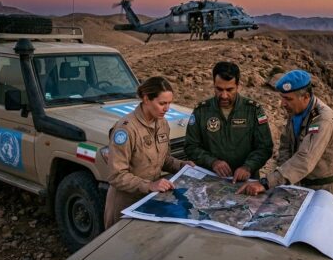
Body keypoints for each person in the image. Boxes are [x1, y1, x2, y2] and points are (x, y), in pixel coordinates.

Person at [237, 70, 333, 209]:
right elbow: (286, 144)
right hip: (301, 186)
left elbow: (304, 160)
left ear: (306, 97)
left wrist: (266, 182)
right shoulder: (297, 110)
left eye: (288, 99)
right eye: (282, 98)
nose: (283, 104)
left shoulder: (322, 120)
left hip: (325, 192)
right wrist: (283, 179)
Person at [104, 76, 194, 228]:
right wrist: (150, 185)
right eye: (162, 103)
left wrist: (182, 165)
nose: (167, 109)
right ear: (146, 99)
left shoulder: (162, 123)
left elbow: (163, 159)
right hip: (125, 205)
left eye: (169, 103)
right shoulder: (126, 129)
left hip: (150, 201)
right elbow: (116, 175)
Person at [184, 62, 273, 182]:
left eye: (229, 89)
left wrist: (248, 167)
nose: (224, 95)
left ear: (237, 86)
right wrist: (213, 162)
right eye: (219, 89)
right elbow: (191, 147)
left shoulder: (253, 110)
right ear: (214, 85)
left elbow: (264, 147)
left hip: (245, 182)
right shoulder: (201, 110)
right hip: (210, 180)